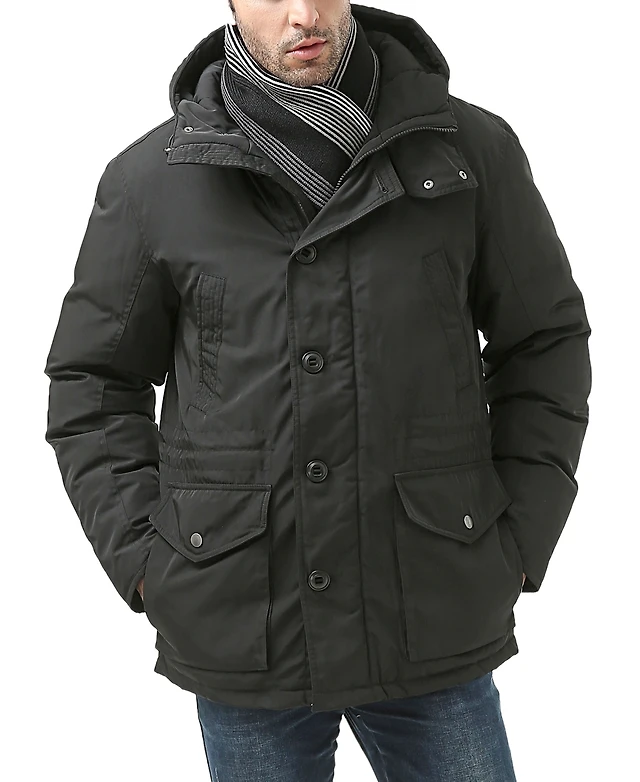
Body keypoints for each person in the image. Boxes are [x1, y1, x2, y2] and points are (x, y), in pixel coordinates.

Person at [43, 1, 592, 780]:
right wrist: (145, 561)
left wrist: (521, 537)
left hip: (432, 610)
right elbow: (94, 381)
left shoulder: (470, 151)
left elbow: (543, 342)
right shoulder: (152, 181)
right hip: (243, 621)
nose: (302, 14)